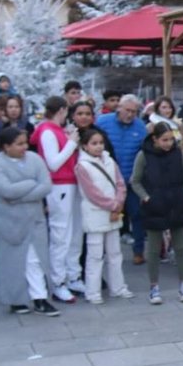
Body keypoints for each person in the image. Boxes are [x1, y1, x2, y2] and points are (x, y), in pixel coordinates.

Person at [0, 127, 61, 316]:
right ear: (6, 146)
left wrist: (18, 194)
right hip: (7, 221)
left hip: (34, 218)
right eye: (19, 144)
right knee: (10, 261)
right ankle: (15, 299)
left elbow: (46, 186)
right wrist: (30, 184)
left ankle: (40, 297)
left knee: (35, 259)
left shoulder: (35, 159)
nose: (24, 147)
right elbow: (5, 191)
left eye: (25, 143)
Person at [131, 122, 183, 305]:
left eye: (171, 140)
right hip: (154, 206)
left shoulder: (177, 154)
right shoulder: (144, 155)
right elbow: (135, 181)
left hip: (176, 203)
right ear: (155, 139)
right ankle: (154, 286)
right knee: (154, 249)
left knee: (180, 247)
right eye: (164, 140)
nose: (168, 144)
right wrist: (147, 198)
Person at [31, 96, 84, 301]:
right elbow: (53, 163)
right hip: (59, 185)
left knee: (74, 233)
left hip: (71, 184)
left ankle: (72, 275)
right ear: (61, 110)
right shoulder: (47, 131)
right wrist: (71, 144)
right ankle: (58, 281)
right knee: (61, 234)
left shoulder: (57, 131)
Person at [74, 128, 133, 305]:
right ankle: (93, 291)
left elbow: (120, 183)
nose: (98, 147)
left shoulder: (109, 161)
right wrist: (114, 205)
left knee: (115, 253)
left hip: (113, 214)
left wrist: (119, 201)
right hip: (95, 215)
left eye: (100, 143)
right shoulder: (82, 166)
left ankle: (118, 287)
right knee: (95, 255)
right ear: (85, 146)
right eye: (94, 143)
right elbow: (92, 193)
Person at [96, 94, 148, 264]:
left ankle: (138, 251)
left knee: (137, 215)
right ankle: (102, 254)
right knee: (107, 217)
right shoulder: (102, 122)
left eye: (134, 111)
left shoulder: (140, 127)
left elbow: (145, 153)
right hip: (108, 180)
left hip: (131, 180)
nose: (130, 114)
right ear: (119, 107)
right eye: (127, 110)